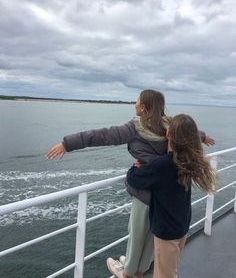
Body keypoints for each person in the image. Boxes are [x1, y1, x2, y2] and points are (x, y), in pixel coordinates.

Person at [46, 90, 214, 278]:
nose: (134, 104)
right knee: (151, 240)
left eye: (137, 101)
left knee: (136, 237)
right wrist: (204, 136)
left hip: (144, 192)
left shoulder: (134, 128)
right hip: (165, 197)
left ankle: (128, 272)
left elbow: (101, 136)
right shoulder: (170, 125)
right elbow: (188, 132)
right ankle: (138, 268)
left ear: (143, 107)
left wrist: (66, 144)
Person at [125, 114, 216, 278]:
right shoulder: (189, 160)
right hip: (181, 225)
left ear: (168, 134)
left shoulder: (163, 165)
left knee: (165, 274)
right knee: (169, 268)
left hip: (167, 231)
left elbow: (135, 180)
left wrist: (134, 167)